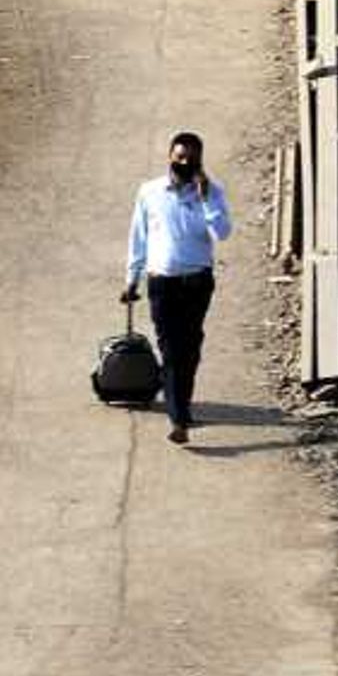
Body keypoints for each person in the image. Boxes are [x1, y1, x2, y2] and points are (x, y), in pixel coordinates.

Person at [121, 130, 234, 443]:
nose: (184, 162)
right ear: (170, 156)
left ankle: (179, 404)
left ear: (200, 159)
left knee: (190, 347)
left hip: (197, 280)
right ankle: (179, 418)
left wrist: (207, 198)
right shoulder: (150, 191)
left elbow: (222, 232)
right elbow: (138, 236)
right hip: (162, 280)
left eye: (191, 158)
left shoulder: (213, 191)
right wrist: (132, 278)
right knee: (170, 348)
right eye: (179, 156)